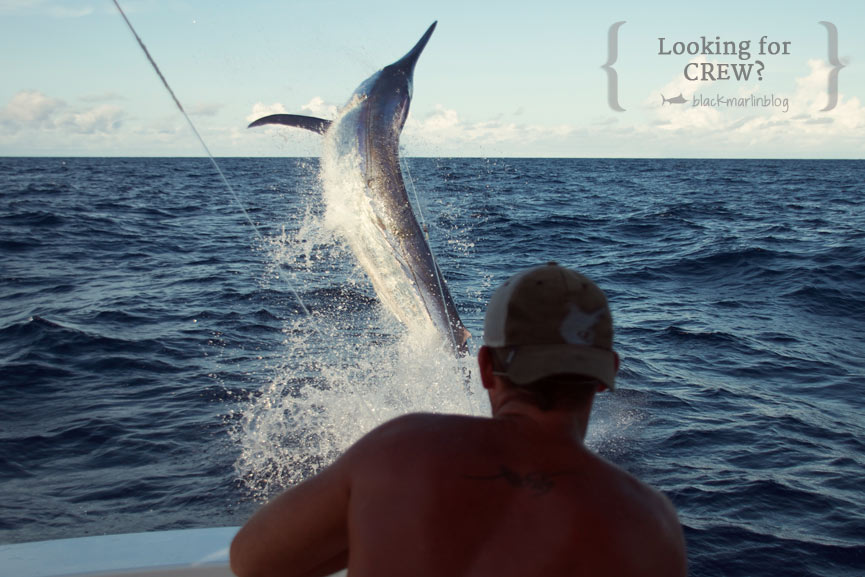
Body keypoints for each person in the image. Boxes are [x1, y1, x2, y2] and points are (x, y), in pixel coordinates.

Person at [230, 262, 687, 577]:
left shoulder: (399, 450)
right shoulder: (650, 522)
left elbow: (252, 561)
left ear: (486, 367)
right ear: (608, 375)